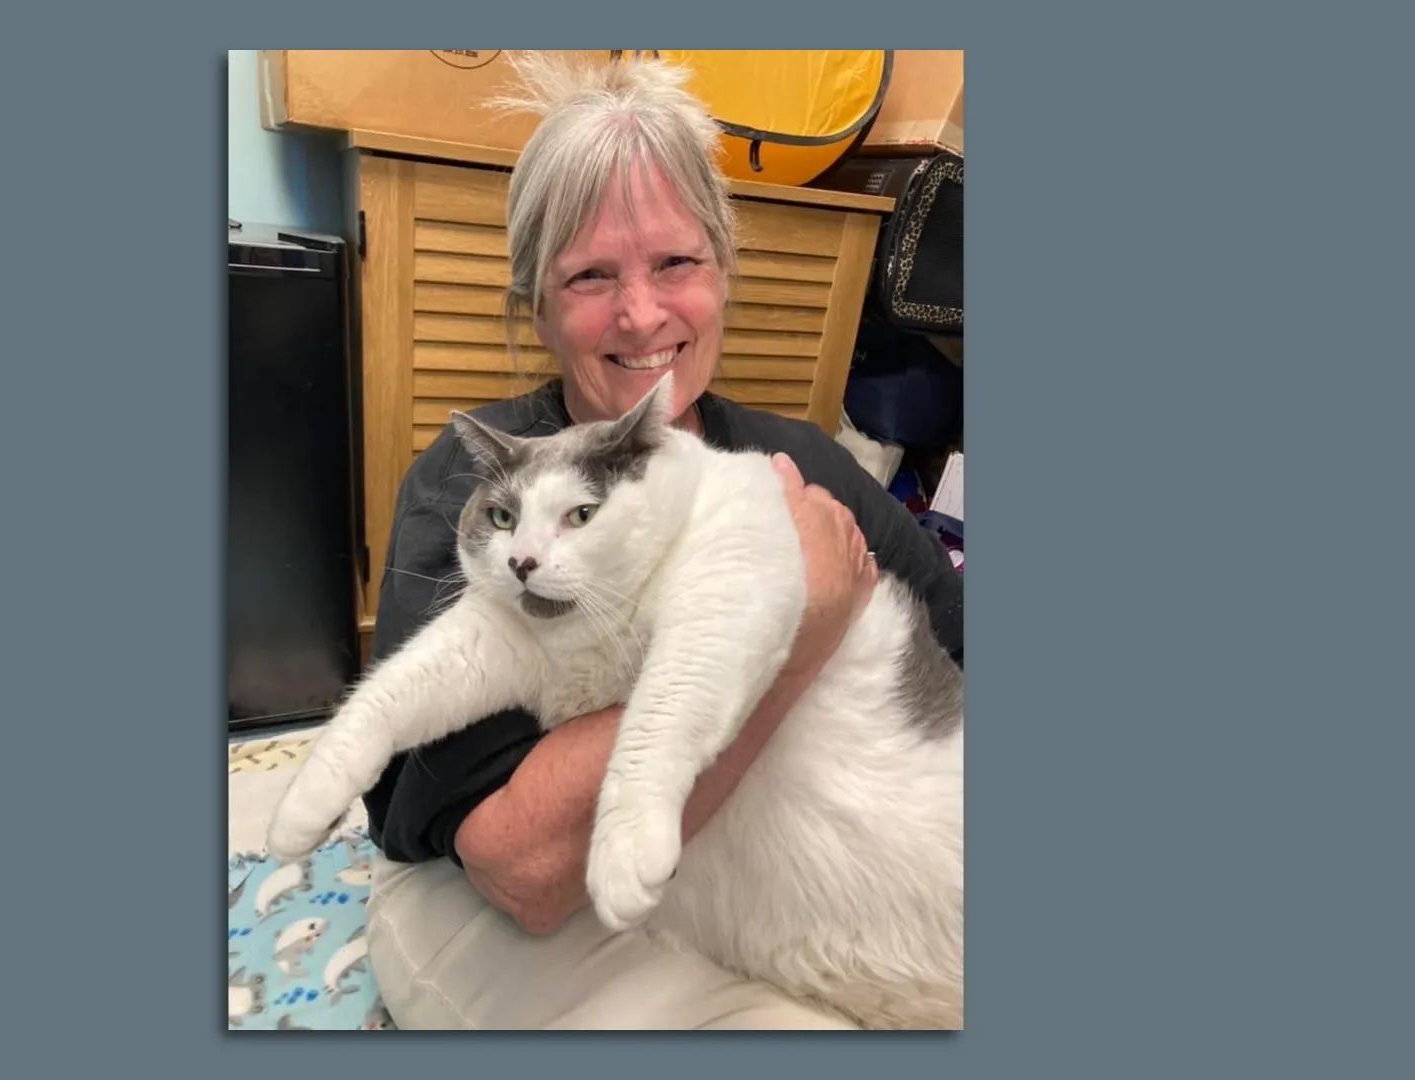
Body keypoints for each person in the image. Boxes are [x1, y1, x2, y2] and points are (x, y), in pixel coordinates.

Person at [358, 55, 964, 1029]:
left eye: (676, 263)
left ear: (723, 274)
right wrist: (794, 624)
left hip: (776, 887)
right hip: (508, 887)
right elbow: (522, 867)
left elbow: (960, 631)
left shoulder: (797, 461)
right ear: (539, 309)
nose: (642, 314)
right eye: (591, 274)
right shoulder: (479, 490)